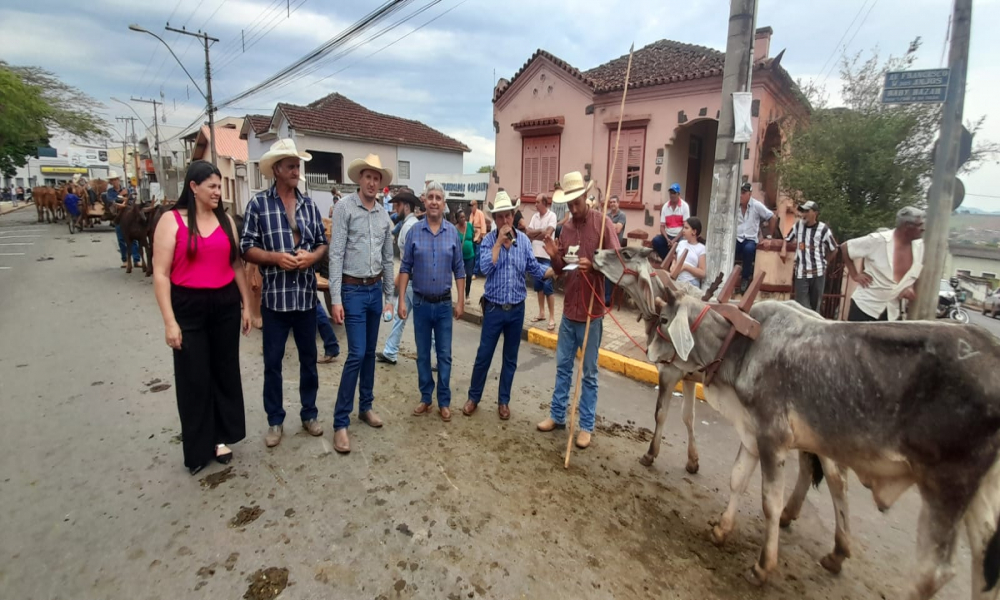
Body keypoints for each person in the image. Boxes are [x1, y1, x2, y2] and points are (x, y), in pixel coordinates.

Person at [152, 160, 253, 475]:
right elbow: (160, 274)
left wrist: (247, 306)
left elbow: (236, 265)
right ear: (193, 187)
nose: (218, 192)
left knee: (224, 372)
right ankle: (197, 447)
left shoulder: (225, 221)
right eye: (212, 186)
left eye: (220, 186)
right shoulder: (172, 221)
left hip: (224, 305)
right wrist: (170, 321)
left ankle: (222, 438)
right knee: (194, 378)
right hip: (188, 306)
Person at [240, 139, 329, 448]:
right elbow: (246, 247)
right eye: (291, 165)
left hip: (305, 299)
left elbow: (321, 243)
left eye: (297, 165)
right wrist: (275, 258)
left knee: (308, 360)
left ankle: (309, 414)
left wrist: (312, 257)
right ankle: (275, 421)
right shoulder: (259, 205)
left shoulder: (308, 205)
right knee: (273, 363)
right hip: (275, 301)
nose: (296, 170)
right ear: (276, 169)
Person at [538, 171, 621, 449]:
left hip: (591, 312)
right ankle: (557, 416)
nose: (573, 209)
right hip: (569, 310)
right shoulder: (567, 228)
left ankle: (586, 426)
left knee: (589, 373)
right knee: (562, 367)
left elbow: (619, 264)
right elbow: (561, 270)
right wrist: (553, 256)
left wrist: (595, 265)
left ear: (586, 197)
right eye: (569, 204)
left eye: (577, 202)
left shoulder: (603, 223)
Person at [464, 191, 554, 420]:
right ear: (494, 219)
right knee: (484, 355)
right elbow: (484, 268)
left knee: (510, 359)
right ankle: (474, 397)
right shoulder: (487, 241)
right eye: (500, 217)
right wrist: (497, 243)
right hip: (494, 309)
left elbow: (535, 270)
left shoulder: (523, 242)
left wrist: (558, 270)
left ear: (514, 216)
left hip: (516, 309)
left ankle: (504, 401)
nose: (504, 221)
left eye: (508, 216)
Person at [328, 153, 395, 454]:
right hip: (353, 291)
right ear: (359, 179)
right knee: (355, 353)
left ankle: (365, 407)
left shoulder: (383, 217)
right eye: (367, 176)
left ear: (381, 183)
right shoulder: (344, 208)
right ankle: (340, 422)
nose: (371, 182)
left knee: (369, 352)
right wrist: (335, 298)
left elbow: (388, 259)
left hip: (374, 290)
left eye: (376, 178)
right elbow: (336, 253)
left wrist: (390, 297)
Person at [397, 182, 465, 421]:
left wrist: (461, 301)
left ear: (443, 204)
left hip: (445, 305)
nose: (435, 202)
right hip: (421, 303)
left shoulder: (452, 233)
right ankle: (426, 397)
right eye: (431, 197)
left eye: (439, 198)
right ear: (424, 201)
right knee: (423, 354)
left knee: (444, 355)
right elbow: (405, 267)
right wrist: (401, 301)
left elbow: (459, 269)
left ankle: (443, 401)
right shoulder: (415, 232)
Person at [842, 206, 925, 322]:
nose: (923, 228)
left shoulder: (919, 247)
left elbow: (913, 272)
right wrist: (855, 275)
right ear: (907, 226)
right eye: (919, 225)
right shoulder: (878, 240)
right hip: (866, 307)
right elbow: (845, 247)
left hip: (891, 311)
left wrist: (909, 286)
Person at [376, 191, 421, 365]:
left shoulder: (410, 227)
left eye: (398, 205)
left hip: (411, 279)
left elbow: (412, 259)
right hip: (409, 278)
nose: (395, 209)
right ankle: (390, 351)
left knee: (421, 321)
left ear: (406, 206)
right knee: (400, 317)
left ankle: (439, 357)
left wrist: (400, 279)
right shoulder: (409, 225)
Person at [780, 201, 838, 313]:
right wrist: (783, 248)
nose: (804, 214)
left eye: (807, 211)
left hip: (818, 273)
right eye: (803, 211)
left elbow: (834, 248)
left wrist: (825, 263)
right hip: (801, 272)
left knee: (815, 306)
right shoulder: (798, 225)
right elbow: (787, 238)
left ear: (815, 213)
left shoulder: (823, 229)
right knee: (802, 306)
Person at [736, 182, 776, 293]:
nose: (741, 195)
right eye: (740, 193)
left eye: (744, 193)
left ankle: (745, 279)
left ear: (749, 194)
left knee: (748, 250)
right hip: (737, 237)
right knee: (728, 247)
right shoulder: (735, 205)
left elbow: (772, 217)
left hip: (750, 238)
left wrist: (769, 237)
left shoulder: (756, 205)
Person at [526, 193, 557, 331]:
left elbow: (548, 235)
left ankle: (552, 317)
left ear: (544, 203)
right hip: (535, 255)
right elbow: (528, 233)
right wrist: (540, 232)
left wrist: (537, 234)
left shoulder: (552, 216)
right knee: (538, 286)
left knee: (548, 287)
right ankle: (541, 313)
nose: (535, 204)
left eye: (537, 202)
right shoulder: (534, 217)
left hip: (547, 256)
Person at [108, 170, 142, 269]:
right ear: (111, 182)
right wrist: (121, 195)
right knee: (121, 239)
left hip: (129, 216)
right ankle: (125, 260)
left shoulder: (128, 189)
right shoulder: (110, 192)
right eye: (112, 180)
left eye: (116, 179)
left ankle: (136, 260)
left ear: (119, 180)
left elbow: (132, 200)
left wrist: (126, 198)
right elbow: (112, 203)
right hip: (119, 216)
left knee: (134, 239)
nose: (114, 182)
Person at [651, 183, 689, 259]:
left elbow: (685, 226)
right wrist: (667, 239)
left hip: (680, 235)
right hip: (668, 235)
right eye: (671, 193)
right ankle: (668, 260)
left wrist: (675, 240)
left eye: (674, 193)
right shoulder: (665, 207)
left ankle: (676, 262)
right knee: (656, 241)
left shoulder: (685, 206)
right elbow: (662, 227)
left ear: (679, 194)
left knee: (683, 244)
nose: (672, 195)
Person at [672, 217, 707, 288]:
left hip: (691, 283)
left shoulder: (701, 248)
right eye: (683, 228)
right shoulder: (681, 243)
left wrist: (686, 267)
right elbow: (675, 259)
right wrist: (673, 265)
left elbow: (703, 273)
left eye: (686, 228)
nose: (683, 230)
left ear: (694, 232)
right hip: (677, 280)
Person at [605, 195, 627, 306]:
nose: (612, 204)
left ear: (618, 203)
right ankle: (604, 296)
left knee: (610, 273)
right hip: (606, 247)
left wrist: (608, 225)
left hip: (616, 248)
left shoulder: (622, 215)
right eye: (611, 202)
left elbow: (618, 229)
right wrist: (611, 226)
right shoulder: (606, 215)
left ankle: (608, 298)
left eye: (614, 202)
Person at [455, 208, 476, 302]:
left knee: (469, 275)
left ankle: (467, 294)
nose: (463, 219)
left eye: (464, 217)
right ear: (457, 219)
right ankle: (460, 295)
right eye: (461, 217)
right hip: (460, 257)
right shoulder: (455, 229)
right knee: (460, 276)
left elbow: (472, 237)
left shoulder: (470, 226)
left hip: (470, 256)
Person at [469, 199, 487, 277]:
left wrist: (481, 236)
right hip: (472, 235)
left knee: (477, 254)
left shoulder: (480, 213)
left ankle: (475, 272)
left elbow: (483, 225)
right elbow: (469, 225)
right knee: (472, 254)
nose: (471, 207)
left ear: (476, 206)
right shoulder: (471, 215)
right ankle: (471, 270)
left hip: (479, 235)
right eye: (470, 206)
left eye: (472, 205)